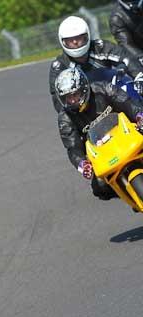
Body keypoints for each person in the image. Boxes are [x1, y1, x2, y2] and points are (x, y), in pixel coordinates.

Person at [54, 68, 143, 200]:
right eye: (68, 98)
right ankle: (126, 192)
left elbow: (127, 102)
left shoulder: (104, 89)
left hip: (128, 133)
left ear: (84, 89)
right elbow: (72, 147)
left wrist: (139, 115)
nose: (72, 101)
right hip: (102, 151)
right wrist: (82, 163)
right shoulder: (65, 118)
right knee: (99, 188)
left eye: (75, 95)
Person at [49, 16, 143, 111]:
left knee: (130, 85)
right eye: (70, 40)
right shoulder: (60, 66)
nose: (75, 42)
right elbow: (58, 100)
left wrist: (139, 76)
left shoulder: (101, 47)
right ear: (63, 41)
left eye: (79, 37)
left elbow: (127, 58)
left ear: (87, 36)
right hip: (85, 108)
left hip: (115, 93)